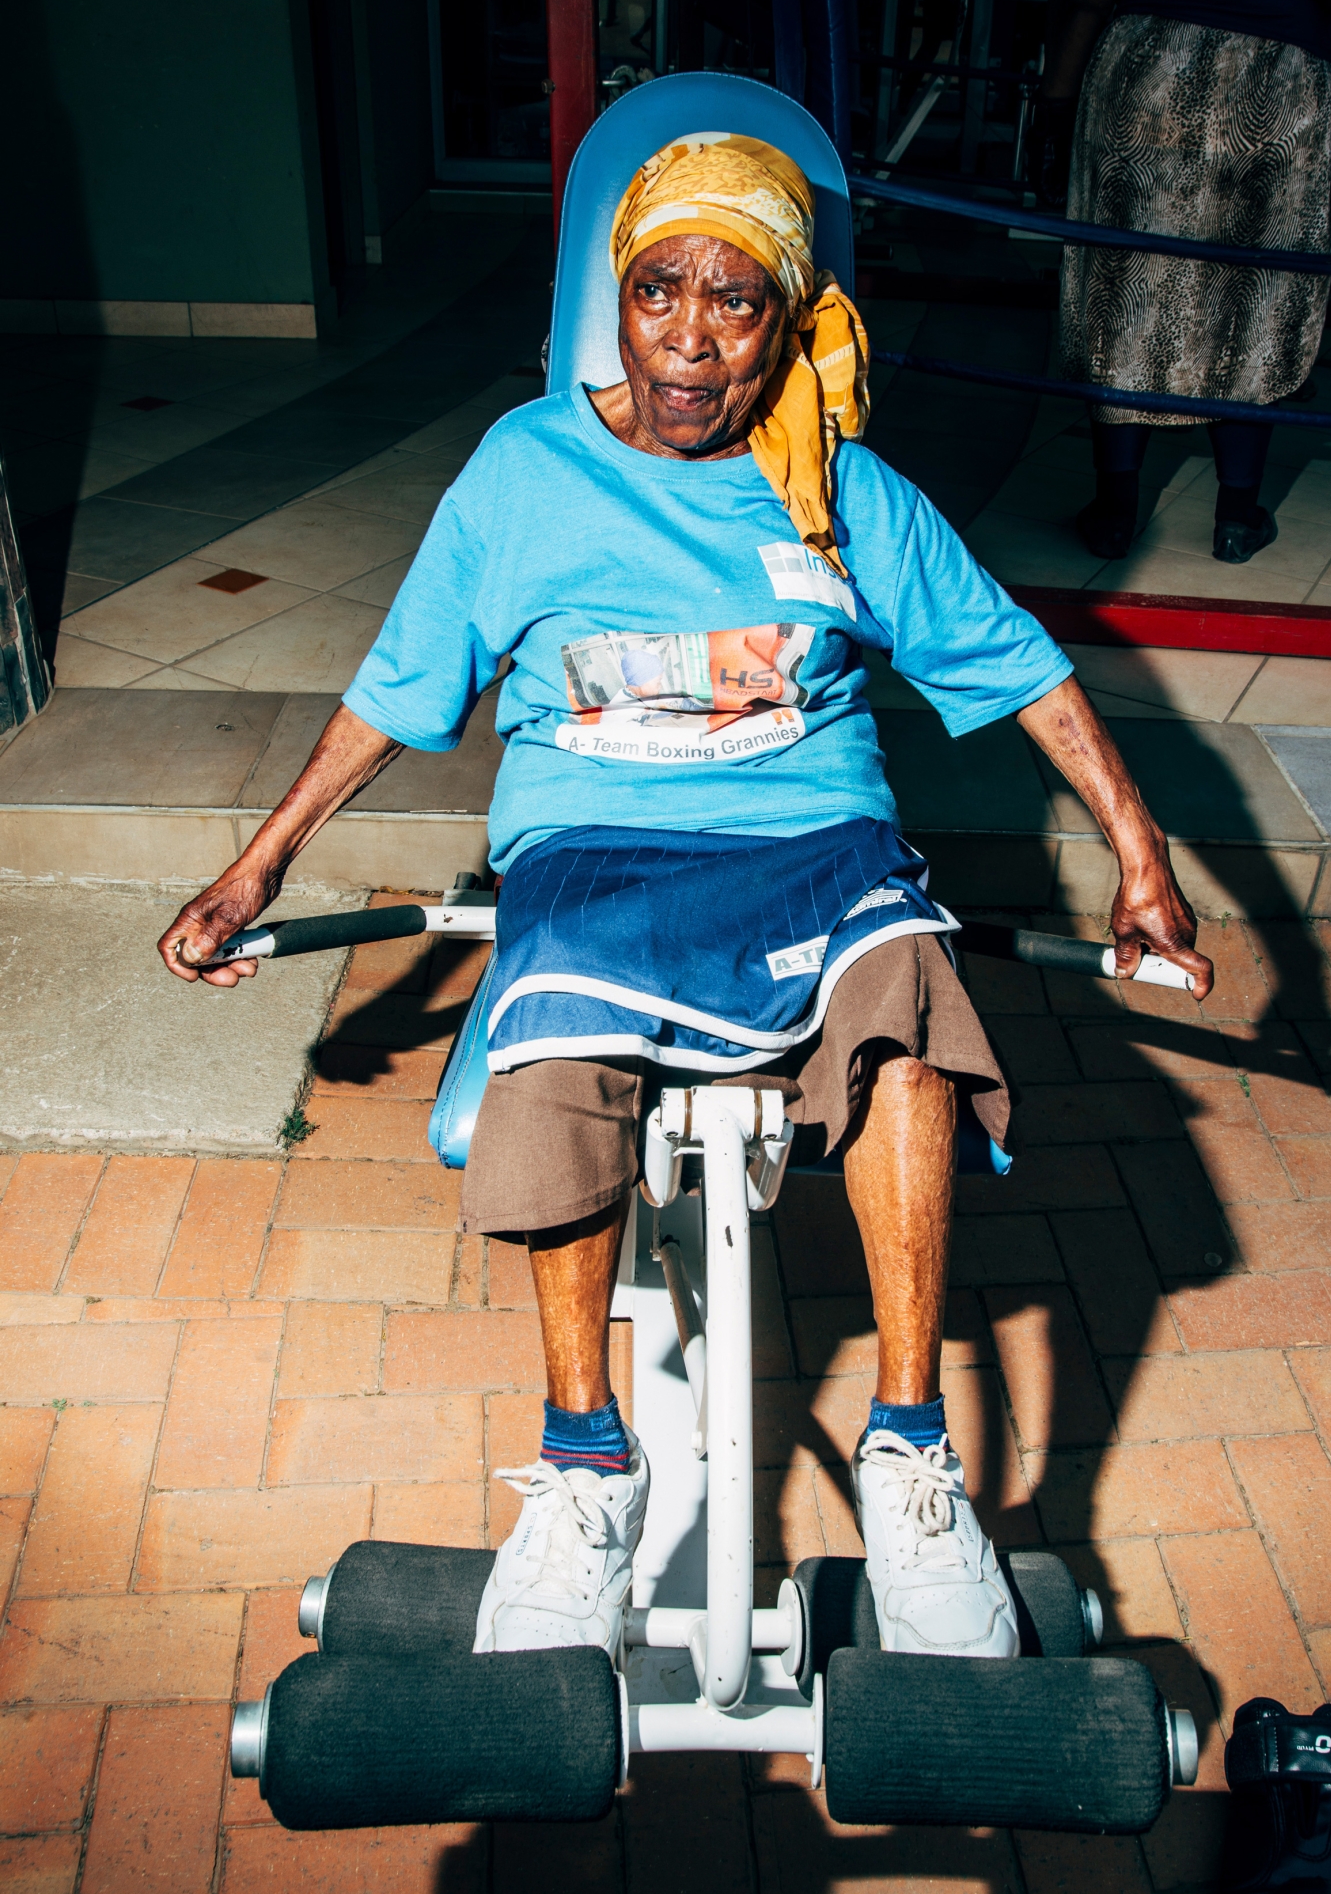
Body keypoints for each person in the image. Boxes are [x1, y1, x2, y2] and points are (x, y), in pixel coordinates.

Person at [158, 133, 1213, 1665]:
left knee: (909, 1008)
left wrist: (1142, 855)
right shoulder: (527, 470)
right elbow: (403, 682)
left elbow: (1023, 669)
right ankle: (587, 1466)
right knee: (550, 1035)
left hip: (818, 843)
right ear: (618, 295)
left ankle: (912, 1455)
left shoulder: (839, 483)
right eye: (662, 292)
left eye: (736, 301)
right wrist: (257, 864)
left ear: (788, 320)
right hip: (594, 846)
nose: (693, 338)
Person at [1029, 0, 1331, 564]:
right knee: (1259, 296)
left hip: (1143, 73)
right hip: (1281, 84)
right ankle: (1238, 514)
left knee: (1124, 294)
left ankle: (1115, 510)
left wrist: (1054, 105)